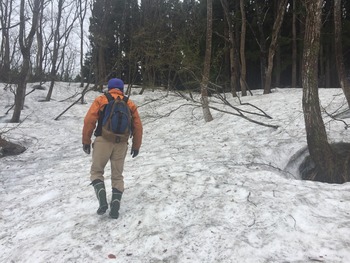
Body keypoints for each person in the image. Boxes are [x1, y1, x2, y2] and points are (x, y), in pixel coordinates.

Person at [82, 78, 143, 219]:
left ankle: (102, 200)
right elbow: (138, 126)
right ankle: (115, 205)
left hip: (103, 140)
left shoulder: (102, 100)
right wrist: (136, 145)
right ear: (122, 89)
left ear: (109, 88)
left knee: (97, 171)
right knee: (117, 175)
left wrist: (86, 140)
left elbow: (89, 120)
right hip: (121, 143)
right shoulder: (129, 103)